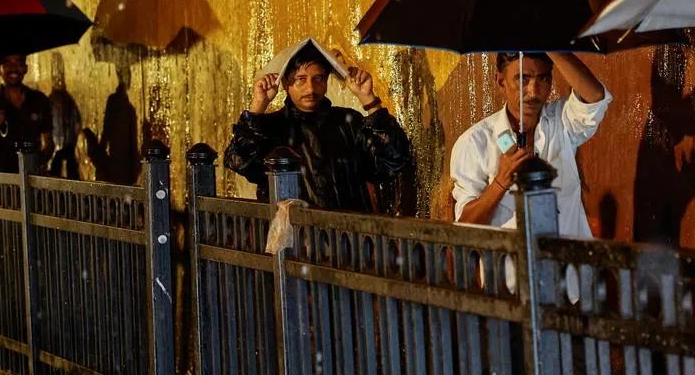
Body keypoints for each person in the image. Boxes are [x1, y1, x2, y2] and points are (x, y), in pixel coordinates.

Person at [224, 42, 411, 212]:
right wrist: (258, 105)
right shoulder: (270, 127)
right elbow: (239, 162)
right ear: (284, 83)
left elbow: (393, 161)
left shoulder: (348, 122)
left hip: (348, 239)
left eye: (318, 79)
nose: (311, 89)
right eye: (301, 79)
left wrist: (369, 100)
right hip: (291, 242)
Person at [450, 52, 611, 237]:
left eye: (543, 79)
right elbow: (464, 228)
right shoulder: (474, 143)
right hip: (512, 264)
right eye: (522, 79)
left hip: (568, 263)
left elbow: (596, 96)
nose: (534, 92)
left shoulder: (563, 122)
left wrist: (549, 46)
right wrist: (500, 181)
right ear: (501, 82)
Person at [0, 53, 54, 173]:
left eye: (18, 63)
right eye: (8, 64)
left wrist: (35, 163)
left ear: (25, 68)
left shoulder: (39, 100)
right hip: (2, 182)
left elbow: (48, 142)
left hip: (32, 179)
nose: (14, 69)